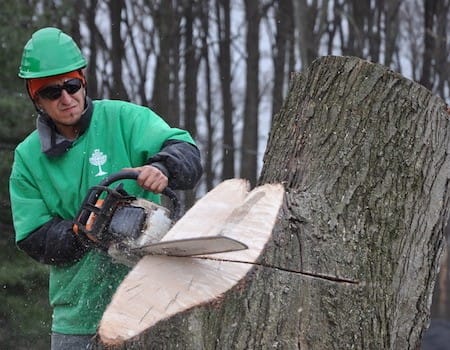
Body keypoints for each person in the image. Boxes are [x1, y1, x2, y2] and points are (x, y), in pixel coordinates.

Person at [9, 27, 202, 349]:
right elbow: (33, 238)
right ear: (36, 98)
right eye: (53, 92)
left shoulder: (124, 119)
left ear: (83, 81)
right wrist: (82, 231)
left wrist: (162, 166)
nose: (67, 98)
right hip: (80, 317)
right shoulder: (28, 158)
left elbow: (186, 151)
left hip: (152, 308)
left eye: (72, 86)